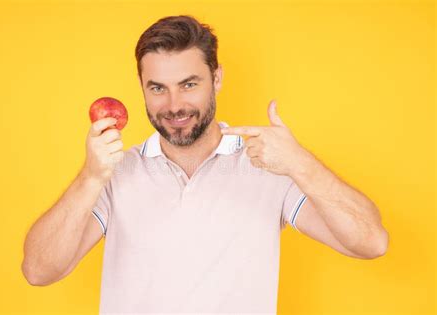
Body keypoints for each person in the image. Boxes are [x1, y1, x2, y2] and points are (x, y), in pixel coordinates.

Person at [21, 15, 389, 314]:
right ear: (142, 87)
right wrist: (90, 176)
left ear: (217, 79)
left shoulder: (269, 166)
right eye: (157, 88)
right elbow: (39, 271)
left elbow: (370, 242)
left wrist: (301, 164)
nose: (174, 105)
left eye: (189, 84)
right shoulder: (116, 174)